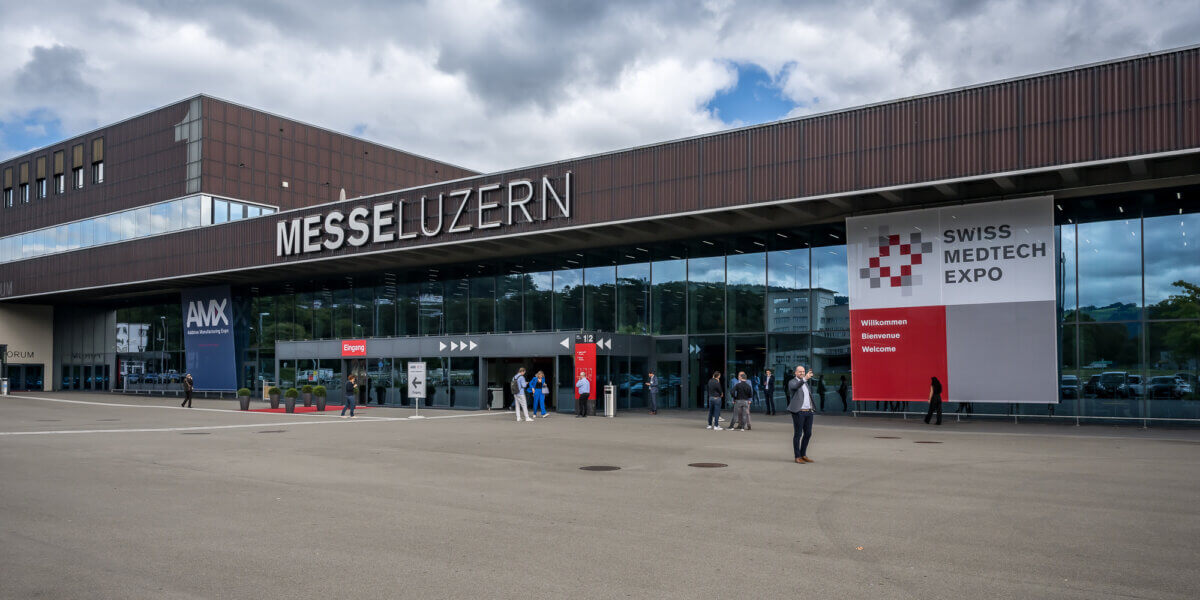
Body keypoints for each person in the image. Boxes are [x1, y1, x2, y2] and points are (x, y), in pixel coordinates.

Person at [787, 365, 816, 463]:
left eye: (803, 371)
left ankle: (803, 454)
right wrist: (805, 378)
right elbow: (796, 386)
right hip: (799, 412)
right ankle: (797, 456)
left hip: (808, 412)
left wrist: (812, 407)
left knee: (808, 433)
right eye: (800, 371)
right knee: (798, 434)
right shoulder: (792, 382)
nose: (802, 373)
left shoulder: (805, 383)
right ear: (795, 372)